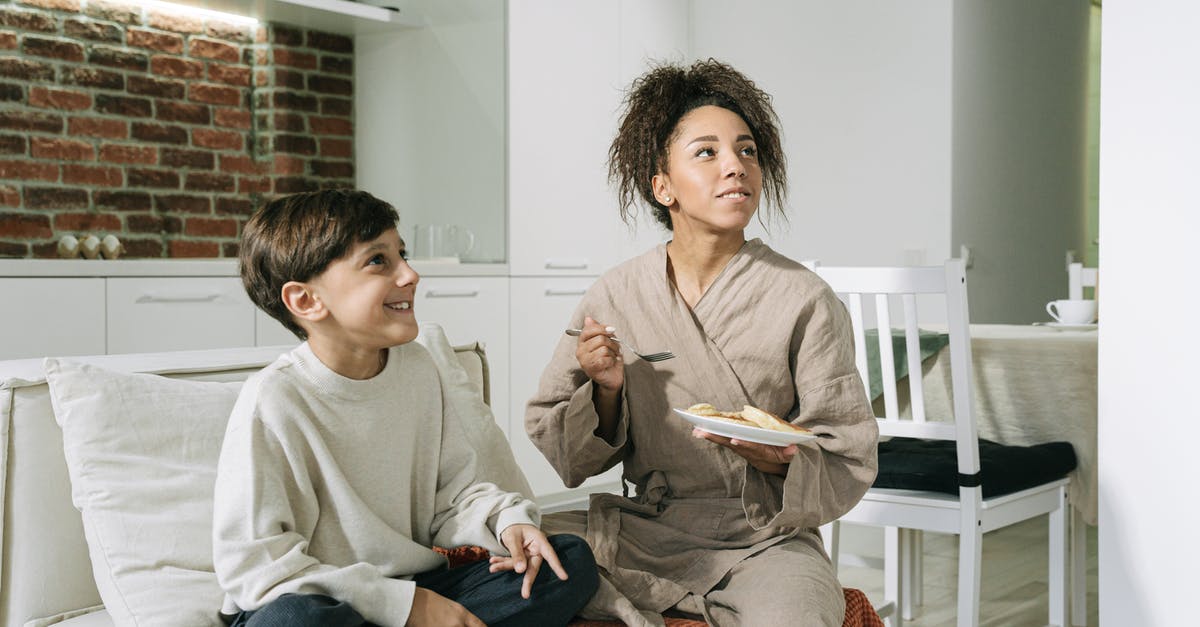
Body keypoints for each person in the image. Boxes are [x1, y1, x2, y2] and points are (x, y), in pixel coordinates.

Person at [525, 60, 879, 626]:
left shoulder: (805, 297)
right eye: (707, 152)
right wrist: (607, 390)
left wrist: (781, 457)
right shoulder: (616, 293)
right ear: (661, 185)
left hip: (763, 537)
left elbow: (850, 452)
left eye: (747, 151)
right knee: (516, 559)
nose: (735, 166)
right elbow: (563, 450)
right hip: (645, 526)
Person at [214, 189, 598, 627]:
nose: (411, 274)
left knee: (566, 560)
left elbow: (453, 497)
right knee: (293, 621)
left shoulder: (418, 367)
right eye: (378, 261)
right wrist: (406, 607)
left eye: (403, 254)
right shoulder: (273, 400)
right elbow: (254, 569)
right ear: (306, 301)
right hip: (311, 600)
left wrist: (506, 523)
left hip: (410, 585)